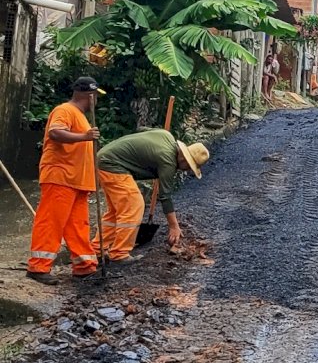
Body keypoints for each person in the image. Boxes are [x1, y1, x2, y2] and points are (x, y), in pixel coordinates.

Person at [27, 76, 105, 285]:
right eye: (96, 96)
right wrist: (84, 137)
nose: (96, 100)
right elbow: (55, 133)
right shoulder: (65, 110)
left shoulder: (79, 116)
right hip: (61, 176)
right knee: (51, 222)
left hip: (77, 181)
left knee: (78, 225)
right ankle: (38, 267)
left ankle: (84, 267)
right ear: (90, 95)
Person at [92, 129, 209, 262]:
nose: (187, 170)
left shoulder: (166, 135)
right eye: (189, 167)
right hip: (112, 164)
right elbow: (165, 196)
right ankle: (119, 253)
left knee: (116, 211)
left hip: (105, 157)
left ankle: (98, 249)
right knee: (134, 206)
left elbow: (142, 130)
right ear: (184, 159)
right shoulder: (168, 161)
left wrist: (149, 157)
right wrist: (174, 226)